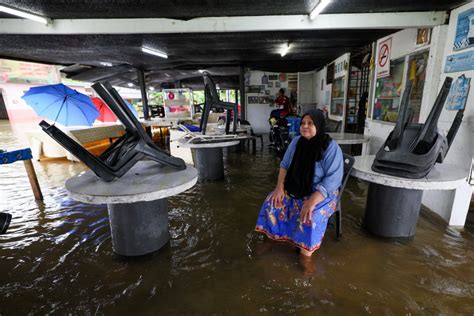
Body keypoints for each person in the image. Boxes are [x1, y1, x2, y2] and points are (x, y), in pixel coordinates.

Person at [255, 109, 343, 257]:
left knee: (310, 216)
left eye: (310, 123)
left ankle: (305, 254)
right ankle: (271, 239)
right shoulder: (296, 142)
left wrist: (311, 202)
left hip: (322, 193)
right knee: (272, 202)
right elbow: (285, 165)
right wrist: (279, 188)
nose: (305, 126)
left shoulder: (330, 148)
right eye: (303, 123)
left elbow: (332, 180)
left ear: (319, 125)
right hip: (297, 185)